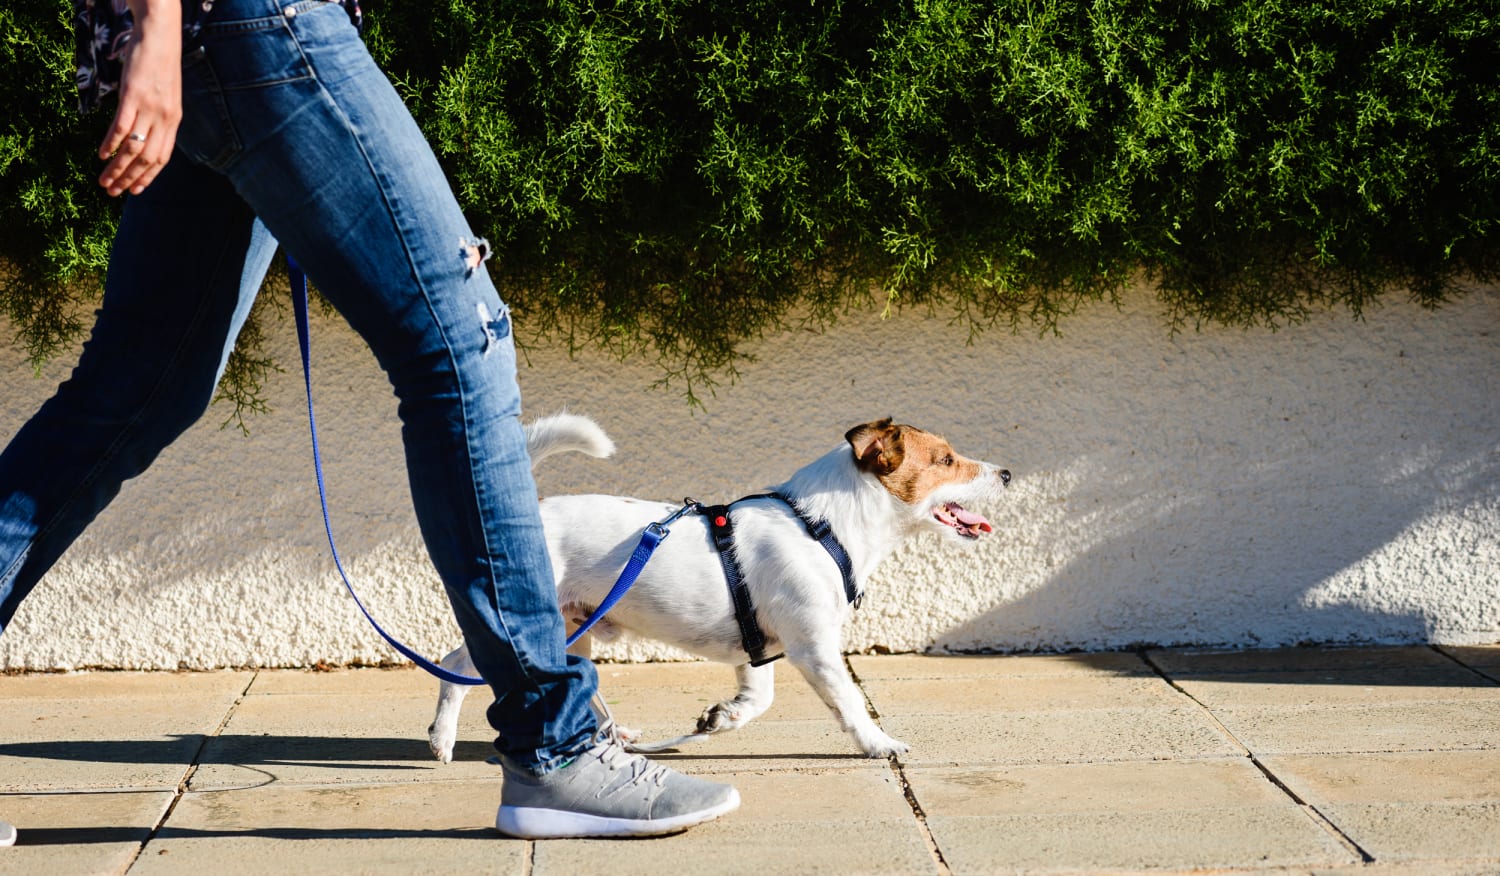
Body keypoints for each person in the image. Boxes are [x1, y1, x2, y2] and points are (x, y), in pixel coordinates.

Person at [0, 0, 738, 841]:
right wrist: (162, 28)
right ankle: (556, 747)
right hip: (256, 23)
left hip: (221, 40)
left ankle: (555, 743)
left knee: (135, 393)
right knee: (462, 348)